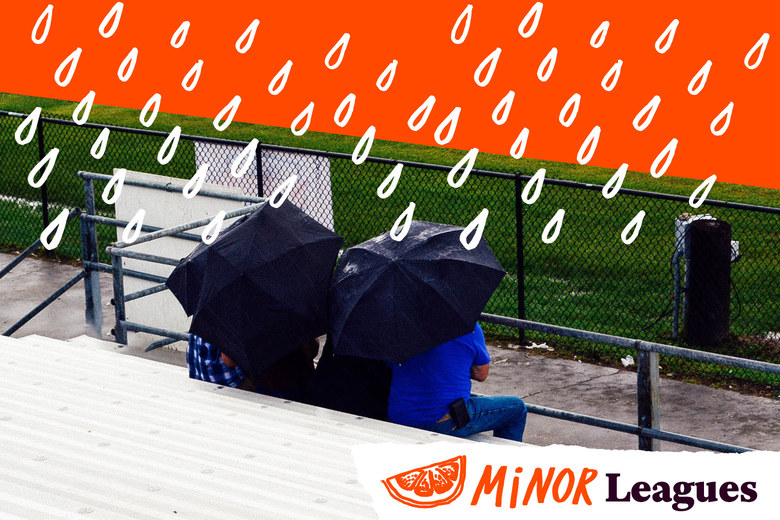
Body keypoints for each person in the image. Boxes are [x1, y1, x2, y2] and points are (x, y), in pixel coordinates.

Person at [386, 323, 527, 442]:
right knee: (517, 408)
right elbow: (481, 374)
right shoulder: (468, 328)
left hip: (399, 415)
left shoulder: (399, 327)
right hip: (443, 420)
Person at [186, 334, 318, 401]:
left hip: (199, 374)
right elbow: (229, 360)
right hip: (223, 382)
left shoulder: (206, 301)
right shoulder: (231, 308)